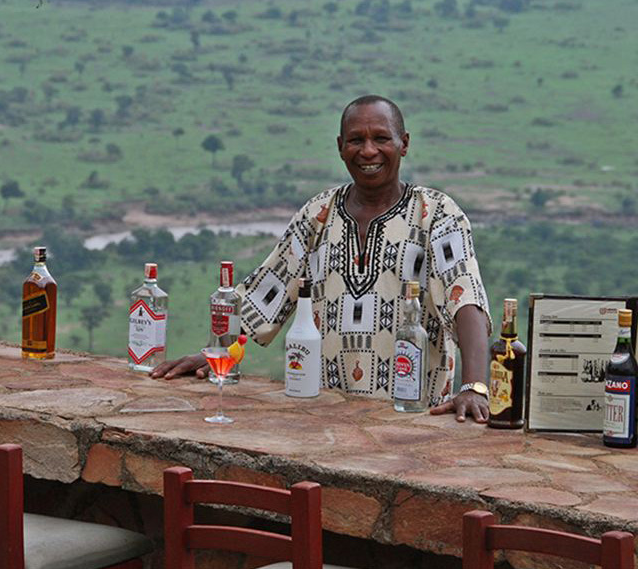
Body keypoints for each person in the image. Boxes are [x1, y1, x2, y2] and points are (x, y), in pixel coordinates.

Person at [152, 95, 492, 422]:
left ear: (404, 143)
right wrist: (215, 350)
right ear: (340, 146)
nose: (368, 150)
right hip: (327, 413)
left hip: (413, 414)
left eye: (381, 138)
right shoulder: (318, 213)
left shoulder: (437, 214)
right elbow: (269, 289)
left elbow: (466, 300)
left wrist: (474, 386)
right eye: (356, 139)